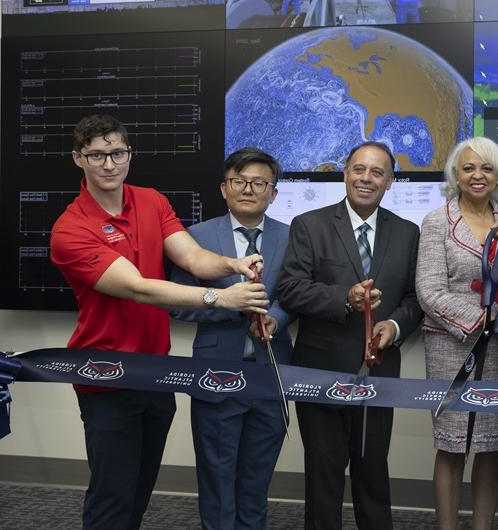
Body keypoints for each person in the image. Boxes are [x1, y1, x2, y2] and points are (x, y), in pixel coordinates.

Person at [50, 115, 269, 530]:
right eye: (97, 155)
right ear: (79, 158)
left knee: (139, 492)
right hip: (106, 375)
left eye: (117, 152)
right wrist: (220, 298)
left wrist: (231, 263)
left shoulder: (151, 200)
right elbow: (138, 288)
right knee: (112, 495)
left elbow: (191, 257)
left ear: (129, 154)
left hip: (157, 373)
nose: (109, 164)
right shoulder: (70, 229)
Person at [276, 141, 423, 530]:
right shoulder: (309, 224)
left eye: (377, 172)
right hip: (320, 368)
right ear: (345, 173)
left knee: (372, 469)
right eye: (359, 169)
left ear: (390, 182)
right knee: (323, 472)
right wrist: (344, 297)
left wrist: (393, 326)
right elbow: (291, 288)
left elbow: (414, 297)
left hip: (379, 370)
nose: (366, 178)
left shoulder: (408, 232)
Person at [170, 147, 294, 530]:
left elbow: (296, 295)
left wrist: (274, 317)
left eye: (259, 182)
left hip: (271, 373)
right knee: (217, 476)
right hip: (216, 370)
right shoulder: (196, 237)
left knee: (257, 479)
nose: (247, 189)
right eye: (238, 181)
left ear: (273, 193)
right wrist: (229, 304)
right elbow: (176, 302)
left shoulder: (292, 237)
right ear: (223, 189)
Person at [416, 137, 498, 530]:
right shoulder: (437, 220)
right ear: (455, 175)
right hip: (452, 345)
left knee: (491, 444)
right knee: (451, 446)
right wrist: (485, 321)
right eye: (468, 168)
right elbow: (429, 291)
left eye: (486, 168)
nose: (477, 176)